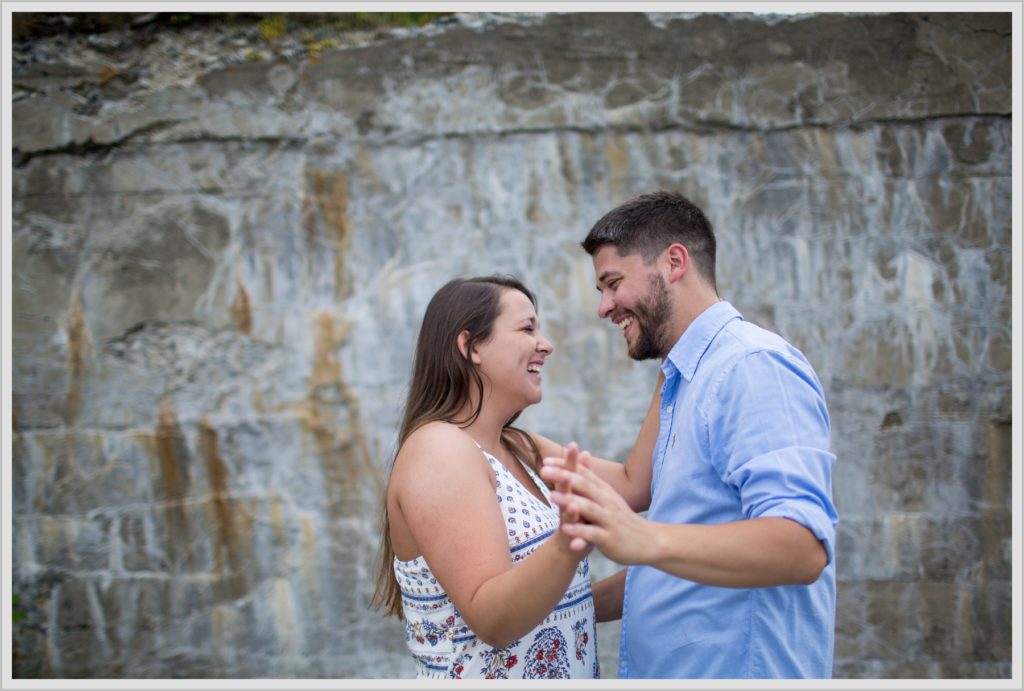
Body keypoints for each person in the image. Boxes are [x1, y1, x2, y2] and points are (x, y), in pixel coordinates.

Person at [540, 190, 839, 679]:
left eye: (612, 283)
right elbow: (649, 511)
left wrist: (641, 537)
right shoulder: (681, 375)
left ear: (674, 261)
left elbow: (802, 546)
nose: (604, 307)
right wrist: (562, 609)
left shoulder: (750, 366)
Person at [371, 275, 660, 679]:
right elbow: (494, 620)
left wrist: (672, 363)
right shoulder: (438, 452)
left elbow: (635, 485)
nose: (546, 344)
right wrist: (570, 542)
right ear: (470, 347)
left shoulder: (520, 447)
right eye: (527, 328)